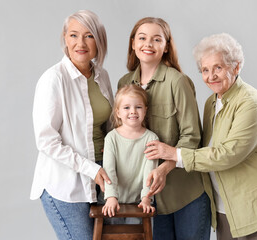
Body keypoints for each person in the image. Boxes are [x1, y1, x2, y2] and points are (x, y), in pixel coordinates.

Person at [144, 33, 257, 240]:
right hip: (227, 205)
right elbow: (207, 148)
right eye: (205, 70)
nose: (211, 76)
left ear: (236, 67)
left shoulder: (251, 103)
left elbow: (228, 154)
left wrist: (175, 154)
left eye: (218, 68)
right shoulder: (212, 103)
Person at [118, 17, 212, 240]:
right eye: (142, 38)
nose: (148, 44)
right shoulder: (123, 83)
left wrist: (164, 168)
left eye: (156, 39)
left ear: (166, 46)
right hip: (147, 198)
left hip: (185, 193)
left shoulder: (177, 81)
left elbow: (192, 136)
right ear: (133, 43)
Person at [30, 10, 114, 240]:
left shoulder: (102, 76)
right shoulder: (53, 79)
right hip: (66, 184)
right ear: (65, 38)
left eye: (89, 36)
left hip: (102, 176)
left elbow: (110, 126)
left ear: (99, 40)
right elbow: (46, 141)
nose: (81, 43)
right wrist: (91, 168)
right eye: (74, 35)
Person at [102, 84, 158, 223]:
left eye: (138, 107)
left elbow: (150, 172)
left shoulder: (151, 138)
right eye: (126, 107)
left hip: (138, 201)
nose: (133, 111)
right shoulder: (111, 138)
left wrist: (146, 198)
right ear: (118, 112)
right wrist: (111, 197)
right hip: (113, 200)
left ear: (145, 110)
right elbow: (109, 170)